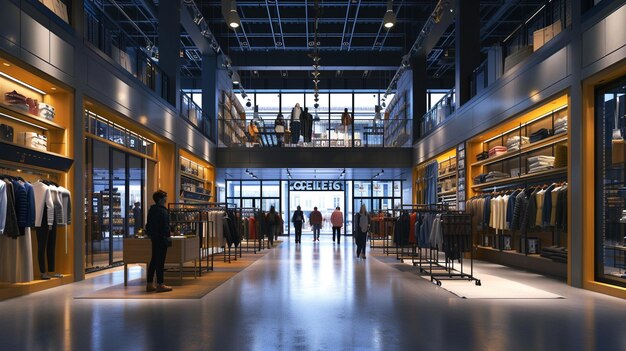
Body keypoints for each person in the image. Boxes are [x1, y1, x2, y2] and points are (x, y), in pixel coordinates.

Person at [145, 190, 172, 293]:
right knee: (160, 262)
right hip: (162, 238)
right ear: (161, 199)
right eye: (165, 197)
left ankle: (149, 283)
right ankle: (160, 284)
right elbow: (165, 226)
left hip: (155, 238)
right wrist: (168, 235)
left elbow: (148, 226)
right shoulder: (162, 211)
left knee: (154, 260)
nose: (166, 199)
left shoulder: (152, 210)